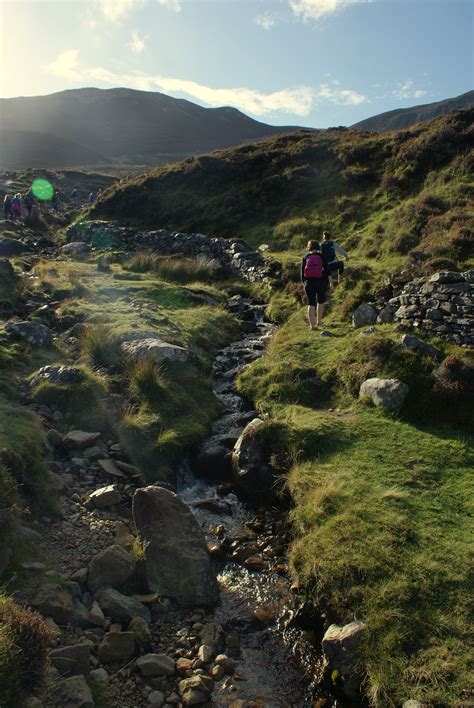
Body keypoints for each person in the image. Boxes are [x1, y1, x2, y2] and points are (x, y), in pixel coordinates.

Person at [301, 240, 333, 330]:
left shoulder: (305, 257)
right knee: (320, 301)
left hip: (309, 282)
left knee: (311, 303)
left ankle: (312, 325)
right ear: (318, 247)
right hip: (320, 281)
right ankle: (319, 322)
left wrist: (305, 283)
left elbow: (302, 274)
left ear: (309, 247)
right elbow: (327, 270)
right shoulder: (321, 256)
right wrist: (331, 282)